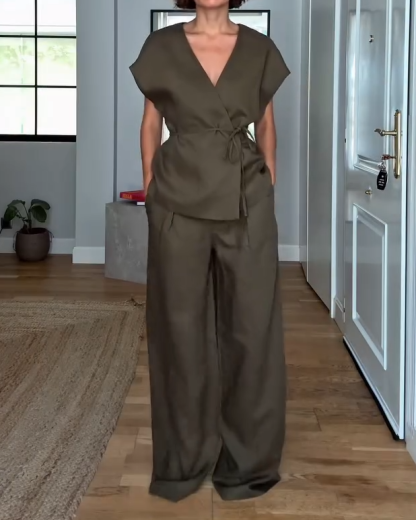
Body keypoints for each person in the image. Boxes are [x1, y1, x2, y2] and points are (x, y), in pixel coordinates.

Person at [129, 0, 290, 503]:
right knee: (178, 330)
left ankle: (248, 463)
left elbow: (266, 124)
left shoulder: (259, 48)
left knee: (252, 329)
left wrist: (267, 186)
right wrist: (152, 187)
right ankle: (182, 459)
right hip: (177, 201)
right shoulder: (162, 45)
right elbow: (150, 123)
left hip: (247, 201)